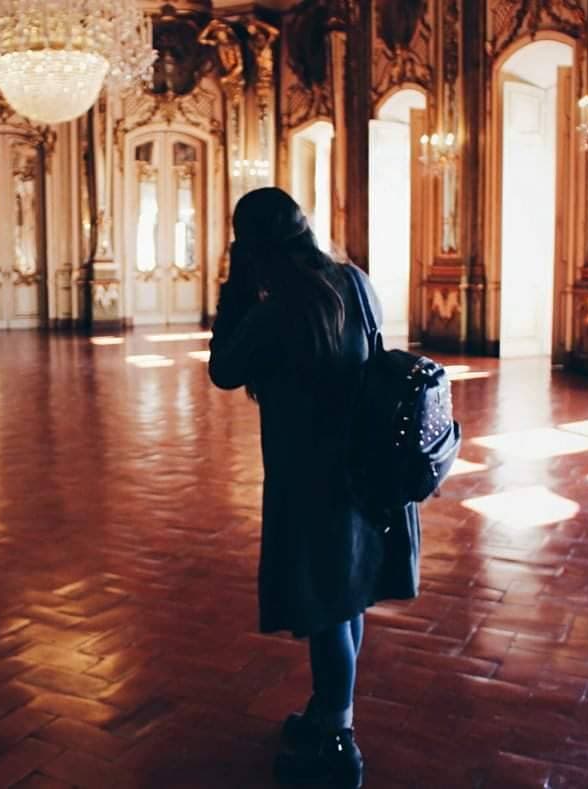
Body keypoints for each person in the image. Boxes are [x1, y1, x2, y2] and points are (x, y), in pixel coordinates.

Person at [208, 188, 384, 787]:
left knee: (329, 605)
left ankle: (338, 746)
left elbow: (224, 371)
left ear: (252, 245)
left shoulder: (279, 305)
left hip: (308, 474)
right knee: (348, 596)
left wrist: (234, 284)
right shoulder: (351, 281)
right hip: (361, 465)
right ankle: (332, 713)